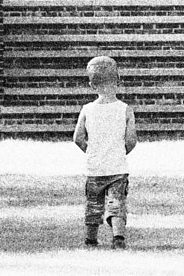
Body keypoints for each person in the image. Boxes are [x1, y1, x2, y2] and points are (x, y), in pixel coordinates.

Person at [73, 55, 138, 249]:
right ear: (118, 80)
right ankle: (118, 238)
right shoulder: (125, 110)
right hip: (117, 167)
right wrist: (119, 151)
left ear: (92, 85)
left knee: (93, 204)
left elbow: (78, 138)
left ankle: (91, 239)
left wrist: (92, 150)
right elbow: (131, 140)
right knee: (116, 202)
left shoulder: (87, 109)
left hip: (94, 168)